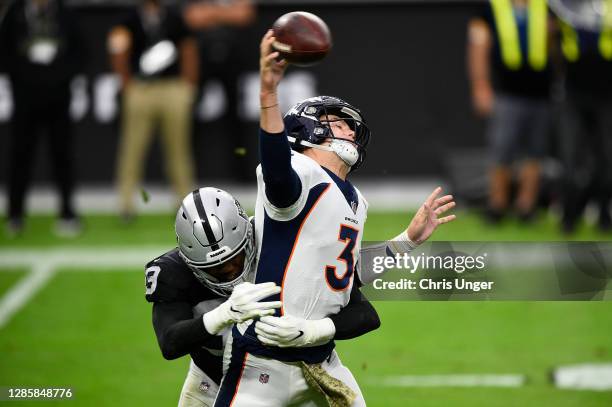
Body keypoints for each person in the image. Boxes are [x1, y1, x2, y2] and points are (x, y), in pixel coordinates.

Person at [211, 30, 456, 407]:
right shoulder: (299, 173)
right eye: (336, 121)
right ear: (306, 133)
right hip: (264, 361)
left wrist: (407, 239)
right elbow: (277, 169)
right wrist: (267, 93)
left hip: (321, 360)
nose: (348, 129)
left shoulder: (355, 200)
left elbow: (345, 277)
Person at [145, 187, 382, 407]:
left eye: (235, 259)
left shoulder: (277, 247)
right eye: (215, 269)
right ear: (188, 261)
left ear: (248, 236)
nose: (229, 271)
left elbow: (365, 314)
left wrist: (309, 330)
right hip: (212, 383)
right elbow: (170, 342)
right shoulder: (172, 273)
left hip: (297, 376)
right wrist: (223, 315)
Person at [108, 0, 199, 220]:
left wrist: (188, 86)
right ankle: (126, 204)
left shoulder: (174, 17)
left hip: (172, 87)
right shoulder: (128, 18)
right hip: (142, 88)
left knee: (178, 150)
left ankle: (184, 203)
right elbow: (118, 49)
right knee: (133, 148)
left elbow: (188, 50)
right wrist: (127, 85)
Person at [0, 0, 84, 237]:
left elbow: (80, 52)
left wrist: (56, 74)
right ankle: (15, 215)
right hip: (25, 99)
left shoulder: (65, 13)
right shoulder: (15, 13)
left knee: (62, 157)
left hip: (58, 99)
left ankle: (67, 213)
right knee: (20, 157)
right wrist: (26, 74)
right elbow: (4, 52)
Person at [467, 0, 554, 222]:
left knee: (535, 151)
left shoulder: (546, 7)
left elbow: (555, 45)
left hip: (542, 94)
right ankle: (497, 206)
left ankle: (526, 208)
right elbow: (478, 47)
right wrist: (480, 86)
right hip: (507, 93)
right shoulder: (491, 8)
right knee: (502, 150)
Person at [182, 0, 256, 182]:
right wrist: (225, 12)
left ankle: (241, 173)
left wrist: (210, 13)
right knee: (190, 118)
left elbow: (245, 15)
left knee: (236, 119)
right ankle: (187, 172)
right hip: (201, 59)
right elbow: (191, 18)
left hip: (232, 59)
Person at [556, 15, 612, 232]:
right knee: (570, 158)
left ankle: (603, 213)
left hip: (606, 95)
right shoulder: (566, 5)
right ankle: (569, 215)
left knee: (606, 158)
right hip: (573, 94)